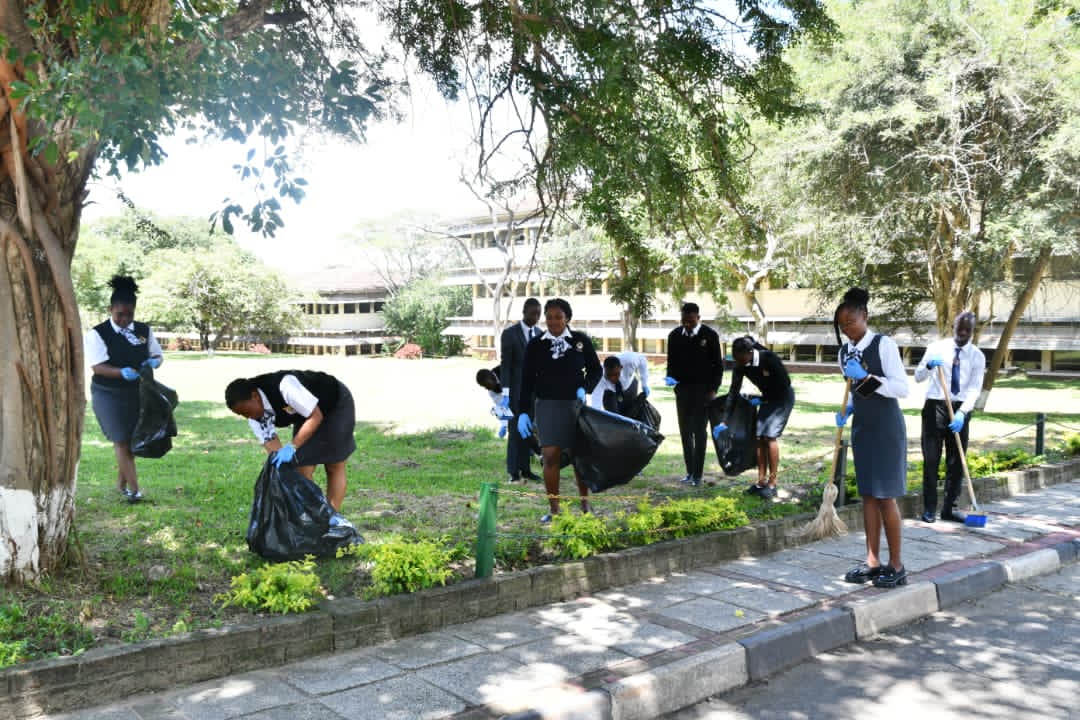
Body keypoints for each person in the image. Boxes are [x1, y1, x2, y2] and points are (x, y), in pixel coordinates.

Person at [834, 287, 910, 589]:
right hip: (863, 428)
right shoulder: (844, 352)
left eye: (851, 322)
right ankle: (872, 561)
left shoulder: (883, 345)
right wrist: (849, 409)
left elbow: (901, 388)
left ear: (864, 316)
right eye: (842, 326)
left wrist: (867, 378)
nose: (847, 329)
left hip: (886, 429)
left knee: (885, 496)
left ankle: (897, 564)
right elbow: (856, 391)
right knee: (867, 495)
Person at [517, 298, 602, 523]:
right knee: (550, 457)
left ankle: (585, 504)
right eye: (549, 317)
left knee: (578, 457)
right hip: (547, 406)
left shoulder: (580, 341)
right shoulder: (536, 345)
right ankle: (554, 510)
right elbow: (526, 381)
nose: (553, 321)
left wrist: (585, 388)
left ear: (567, 318)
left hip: (575, 407)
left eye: (558, 316)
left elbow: (596, 370)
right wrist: (523, 411)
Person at [225, 370, 356, 512]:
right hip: (305, 414)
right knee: (301, 468)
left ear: (255, 396)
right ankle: (315, 515)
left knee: (334, 465)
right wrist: (282, 469)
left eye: (246, 411)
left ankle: (332, 518)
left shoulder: (285, 386)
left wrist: (292, 446)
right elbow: (272, 445)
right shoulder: (254, 417)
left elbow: (315, 416)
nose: (247, 417)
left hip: (334, 403)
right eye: (242, 415)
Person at [85, 275, 164, 504]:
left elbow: (157, 355)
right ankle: (135, 491)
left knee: (130, 440)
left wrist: (154, 362)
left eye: (130, 314)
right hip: (108, 394)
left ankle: (120, 485)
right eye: (120, 314)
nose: (125, 319)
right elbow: (98, 367)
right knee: (120, 440)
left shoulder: (143, 331)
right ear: (110, 309)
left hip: (136, 393)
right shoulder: (97, 334)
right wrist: (121, 372)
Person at [914, 311, 986, 523]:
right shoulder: (936, 348)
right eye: (959, 328)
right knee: (931, 460)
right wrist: (928, 366)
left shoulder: (977, 356)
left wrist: (963, 413)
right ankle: (929, 509)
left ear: (973, 331)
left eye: (967, 330)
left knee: (957, 462)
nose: (962, 333)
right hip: (935, 405)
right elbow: (918, 376)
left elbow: (974, 389)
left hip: (960, 409)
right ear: (952, 326)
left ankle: (949, 508)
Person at [713, 336, 795, 499]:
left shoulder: (769, 358)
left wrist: (763, 399)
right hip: (767, 398)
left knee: (769, 436)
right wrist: (724, 419)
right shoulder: (740, 366)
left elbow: (784, 383)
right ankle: (761, 482)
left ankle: (772, 483)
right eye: (735, 359)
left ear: (750, 352)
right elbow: (733, 392)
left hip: (782, 398)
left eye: (741, 359)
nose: (739, 363)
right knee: (759, 437)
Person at [664, 302, 724, 486]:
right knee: (685, 432)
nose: (687, 325)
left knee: (699, 432)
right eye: (684, 321)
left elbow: (718, 366)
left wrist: (713, 390)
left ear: (698, 317)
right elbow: (671, 363)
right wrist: (671, 379)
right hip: (683, 391)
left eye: (690, 321)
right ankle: (689, 472)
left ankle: (697, 475)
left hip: (703, 392)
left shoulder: (710, 335)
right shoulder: (674, 336)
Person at [501, 298, 543, 483]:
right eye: (533, 313)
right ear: (524, 312)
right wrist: (505, 394)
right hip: (515, 392)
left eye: (538, 314)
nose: (536, 317)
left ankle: (526, 470)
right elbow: (506, 365)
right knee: (514, 431)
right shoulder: (510, 334)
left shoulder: (540, 334)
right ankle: (513, 472)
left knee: (527, 431)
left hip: (532, 394)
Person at [589, 351, 650, 416]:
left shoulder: (630, 360)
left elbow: (642, 359)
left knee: (632, 413)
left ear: (621, 367)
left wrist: (644, 384)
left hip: (630, 385)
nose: (612, 378)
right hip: (610, 392)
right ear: (605, 370)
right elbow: (596, 403)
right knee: (614, 418)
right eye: (609, 375)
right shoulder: (599, 378)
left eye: (615, 374)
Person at [476, 367, 515, 440]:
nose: (486, 388)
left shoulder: (504, 371)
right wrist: (504, 425)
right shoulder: (492, 392)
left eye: (486, 384)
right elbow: (502, 408)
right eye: (484, 386)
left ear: (491, 377)